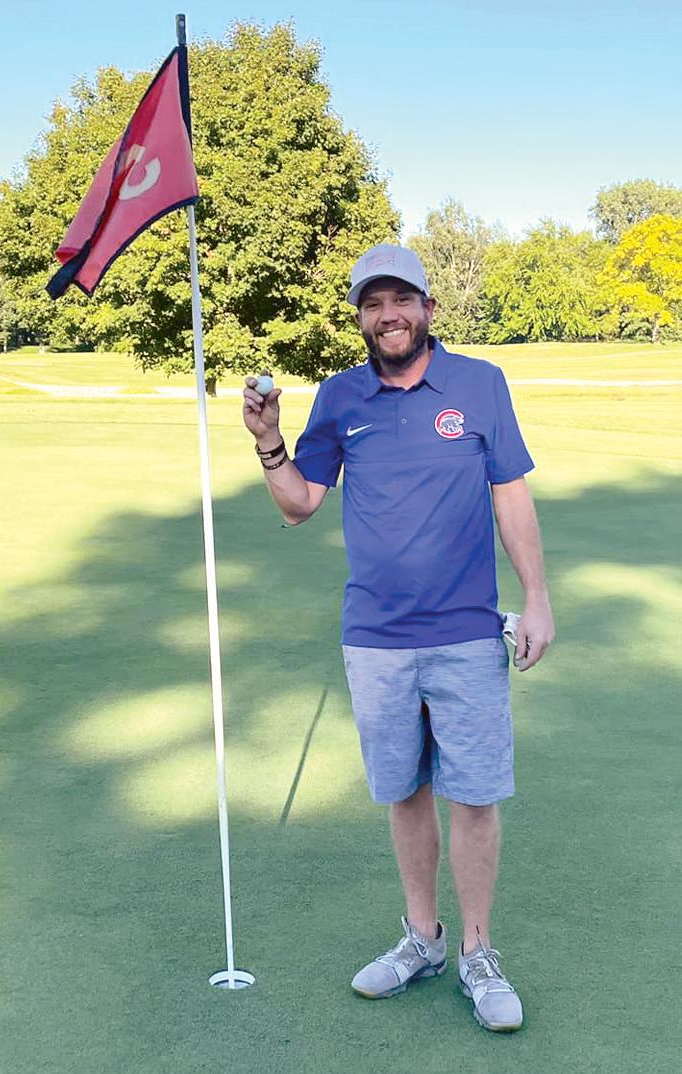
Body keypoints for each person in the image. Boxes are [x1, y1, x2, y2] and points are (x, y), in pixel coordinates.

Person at [241, 243, 554, 1032]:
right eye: (372, 304)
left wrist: (536, 599)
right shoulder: (340, 396)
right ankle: (422, 939)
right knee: (403, 791)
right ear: (359, 318)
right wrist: (268, 440)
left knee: (473, 796)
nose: (388, 315)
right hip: (375, 637)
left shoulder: (479, 384)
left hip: (465, 633)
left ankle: (477, 951)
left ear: (427, 309)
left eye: (401, 300)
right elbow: (298, 503)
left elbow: (509, 494)